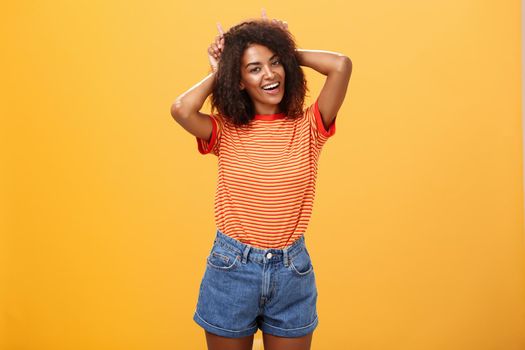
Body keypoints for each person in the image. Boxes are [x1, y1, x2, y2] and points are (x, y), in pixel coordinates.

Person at [170, 10, 352, 350]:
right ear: (239, 80)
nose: (270, 74)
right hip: (231, 269)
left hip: (291, 273)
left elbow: (341, 65)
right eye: (254, 68)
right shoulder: (225, 130)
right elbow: (181, 109)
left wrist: (283, 48)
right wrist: (221, 69)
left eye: (275, 63)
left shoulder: (309, 127)